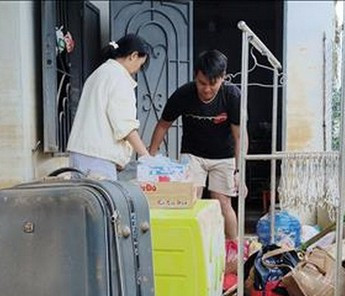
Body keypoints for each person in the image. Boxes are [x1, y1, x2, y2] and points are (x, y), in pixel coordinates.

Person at [148, 50, 247, 242]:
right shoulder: (184, 94)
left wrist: (239, 171)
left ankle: (234, 247)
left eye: (213, 84)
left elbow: (240, 136)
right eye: (202, 83)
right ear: (196, 76)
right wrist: (149, 158)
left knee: (223, 202)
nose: (207, 89)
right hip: (193, 154)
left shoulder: (232, 96)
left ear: (223, 78)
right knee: (190, 199)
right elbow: (163, 125)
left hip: (224, 156)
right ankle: (189, 243)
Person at [67, 35, 152, 180]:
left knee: (84, 201)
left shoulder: (100, 73)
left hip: (82, 153)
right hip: (97, 158)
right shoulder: (119, 78)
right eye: (140, 65)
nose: (137, 71)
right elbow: (125, 126)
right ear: (133, 56)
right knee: (103, 202)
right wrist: (147, 158)